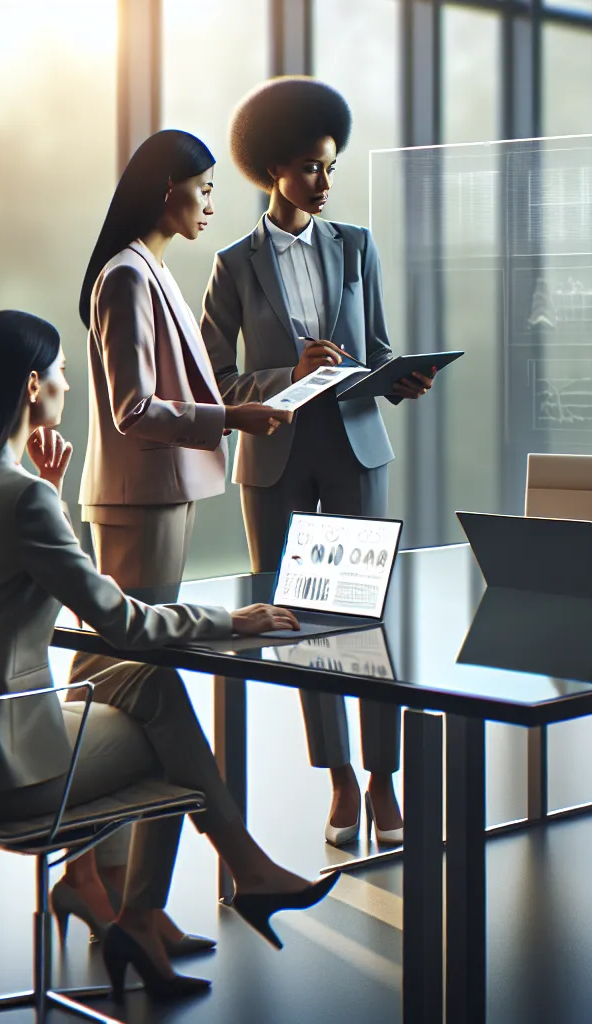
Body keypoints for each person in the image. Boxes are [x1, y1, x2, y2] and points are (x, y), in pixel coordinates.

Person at [0, 310, 335, 1000]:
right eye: (58, 372)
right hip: (12, 768)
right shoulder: (19, 499)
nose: (68, 384)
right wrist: (230, 619)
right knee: (161, 715)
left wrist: (48, 499)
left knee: (146, 684)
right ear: (29, 388)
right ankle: (187, 893)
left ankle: (168, 904)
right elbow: (121, 621)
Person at [64, 128, 288, 951]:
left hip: (159, 498)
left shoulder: (148, 268)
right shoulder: (126, 275)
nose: (210, 202)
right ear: (167, 190)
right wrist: (234, 415)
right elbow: (134, 411)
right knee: (134, 686)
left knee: (119, 682)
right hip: (138, 501)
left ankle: (112, 891)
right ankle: (117, 891)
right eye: (202, 187)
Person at [201, 77, 434, 847]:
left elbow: (378, 350)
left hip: (356, 447)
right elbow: (211, 382)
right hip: (273, 460)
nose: (325, 182)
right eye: (310, 167)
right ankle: (337, 779)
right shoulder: (233, 267)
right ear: (273, 170)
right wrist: (286, 379)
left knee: (366, 614)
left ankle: (382, 781)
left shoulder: (356, 246)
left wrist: (402, 377)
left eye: (331, 166)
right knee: (297, 618)